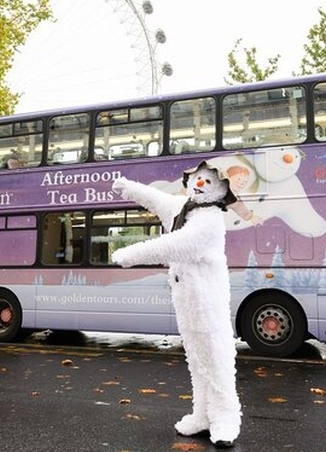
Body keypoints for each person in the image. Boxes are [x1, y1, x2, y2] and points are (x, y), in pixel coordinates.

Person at [111, 161, 242, 448]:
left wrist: (131, 254)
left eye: (207, 181)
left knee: (216, 361)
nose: (199, 184)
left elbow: (177, 244)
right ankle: (202, 415)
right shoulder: (184, 207)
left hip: (207, 302)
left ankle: (226, 418)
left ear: (220, 190)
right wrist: (130, 188)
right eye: (197, 179)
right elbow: (158, 199)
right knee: (197, 361)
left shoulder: (208, 220)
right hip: (187, 303)